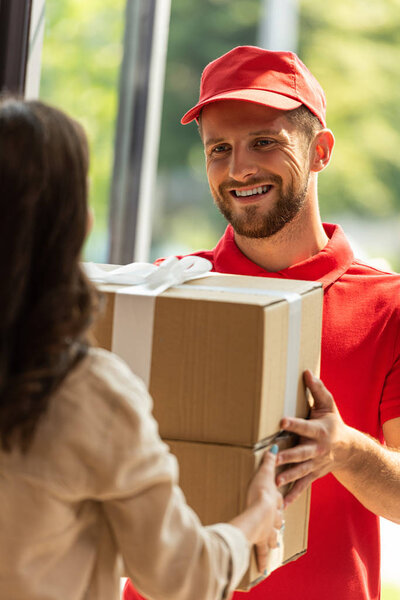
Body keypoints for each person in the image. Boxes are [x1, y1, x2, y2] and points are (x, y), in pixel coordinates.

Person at [124, 46, 400, 600]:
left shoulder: (387, 308)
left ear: (320, 150)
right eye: (218, 149)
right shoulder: (164, 293)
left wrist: (343, 449)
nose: (238, 168)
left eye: (264, 143)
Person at [0, 96, 284, 600]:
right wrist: (258, 519)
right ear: (73, 225)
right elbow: (181, 576)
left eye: (262, 142)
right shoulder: (82, 392)